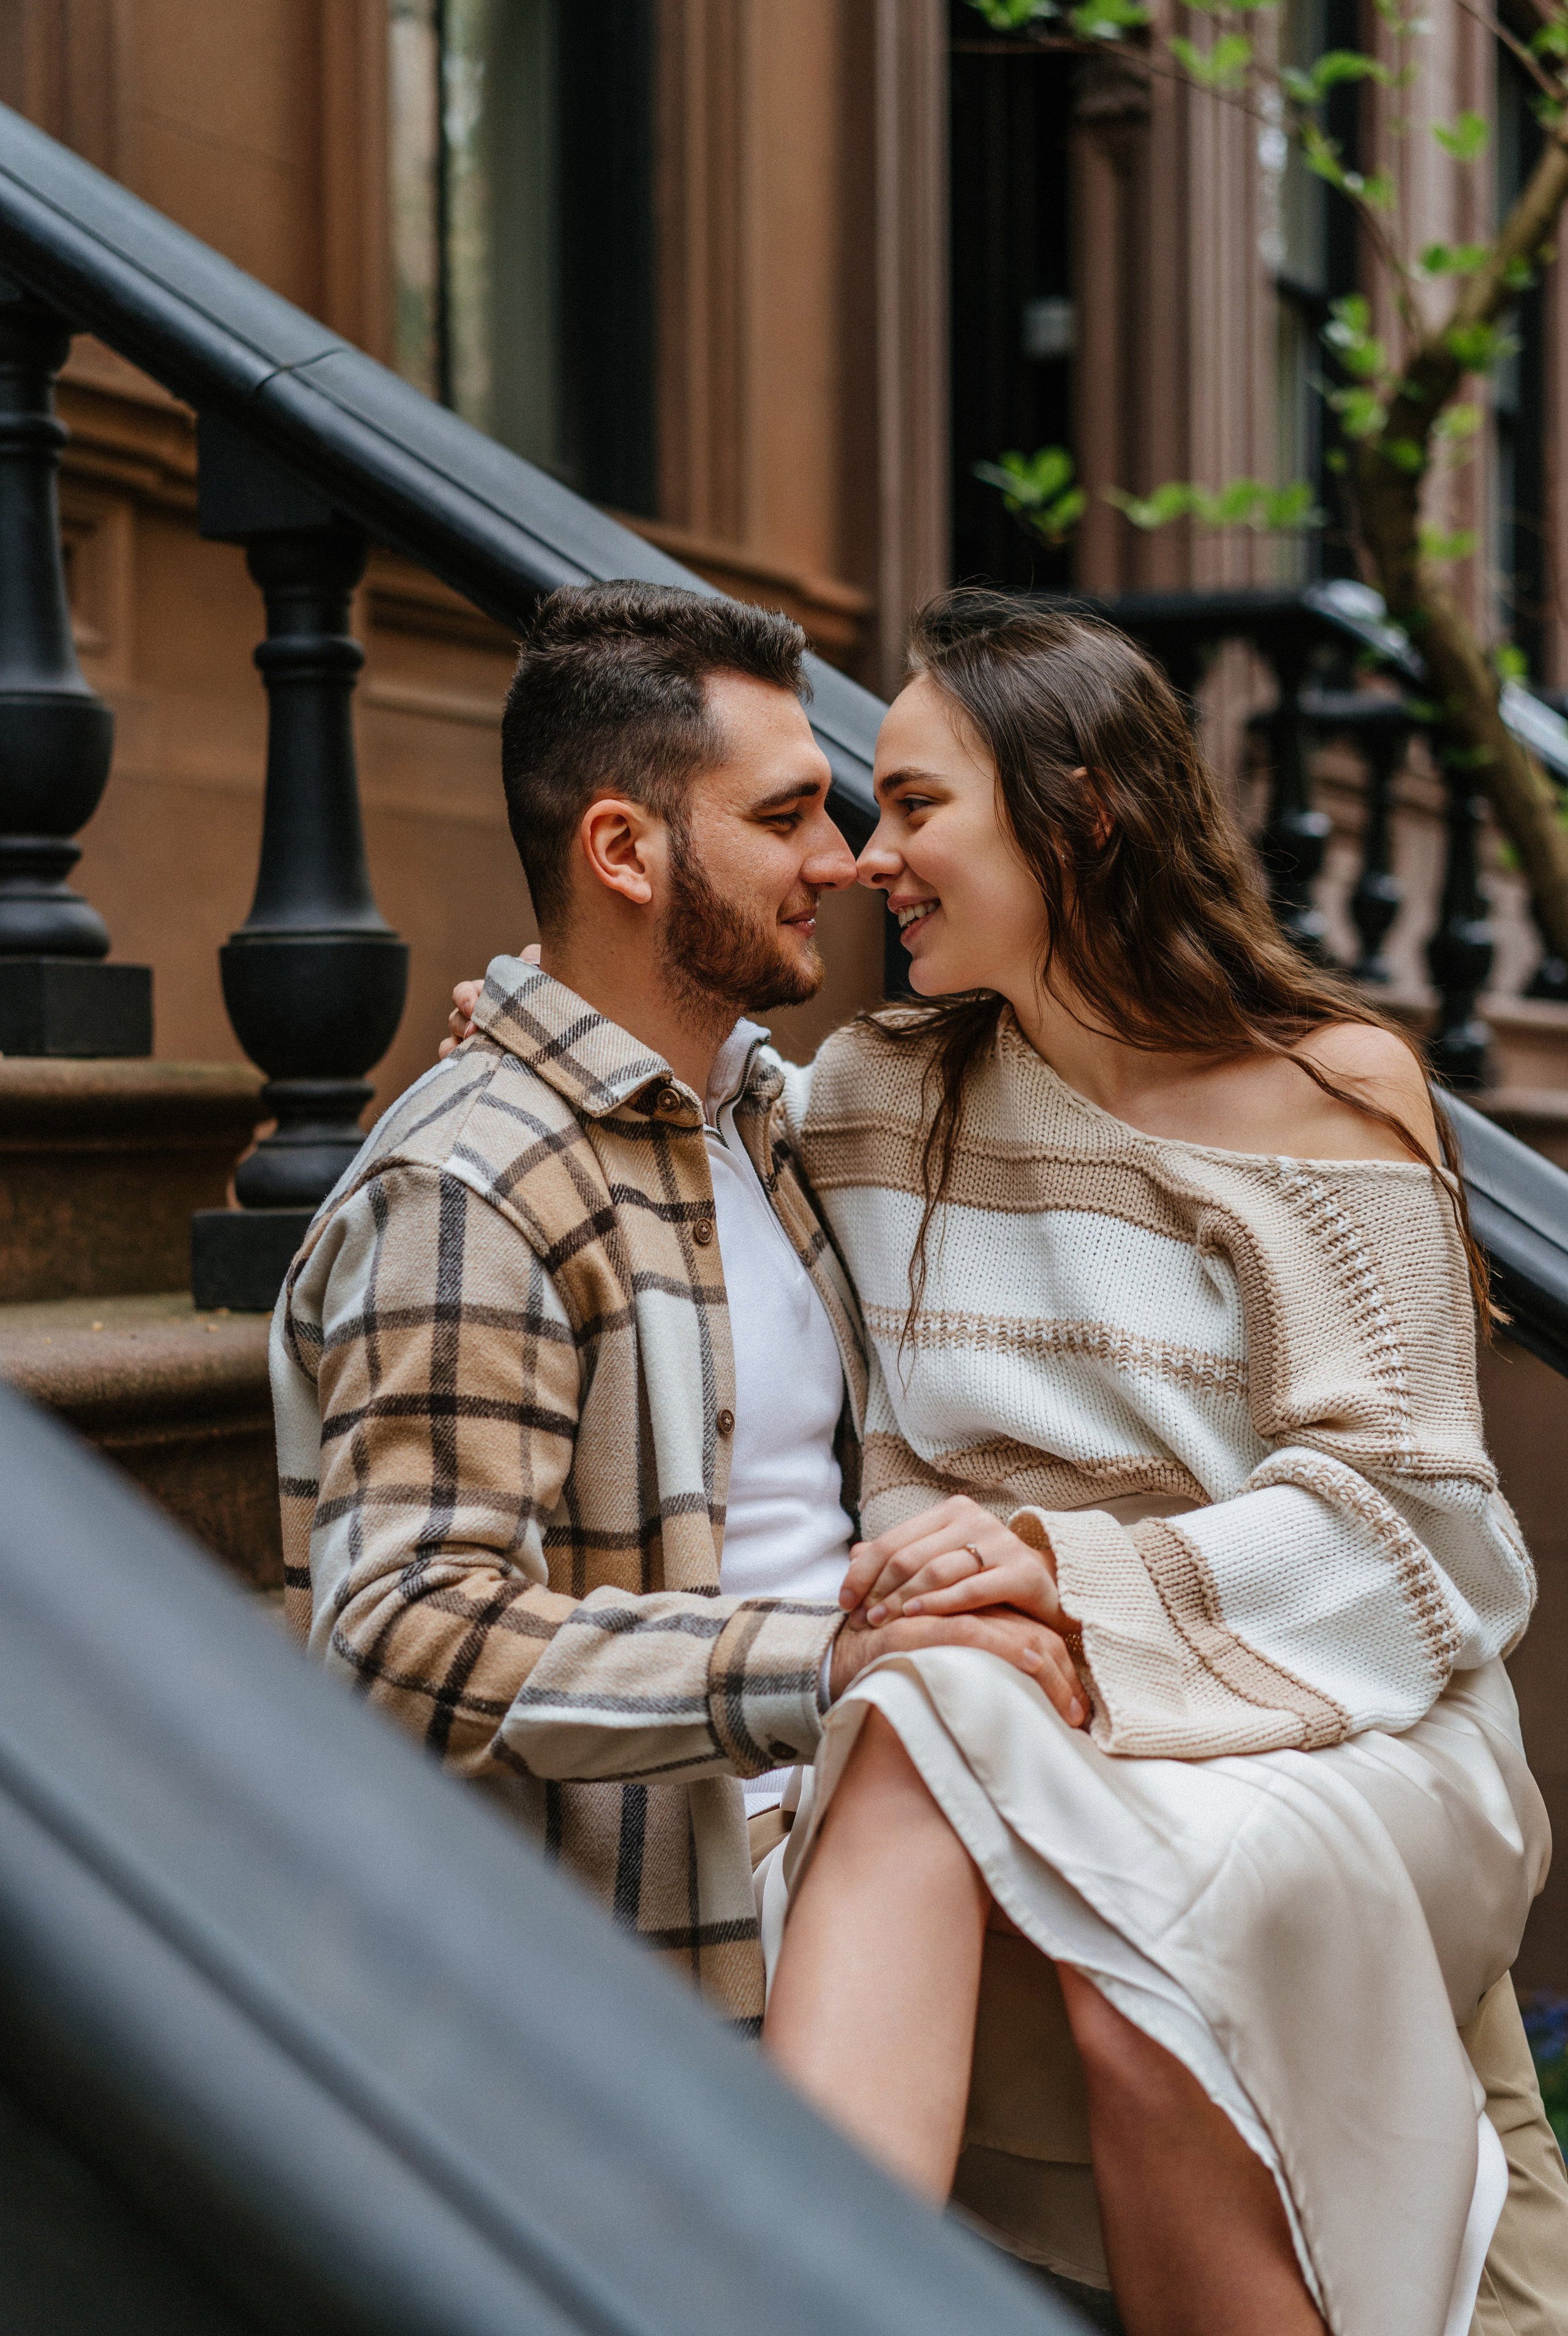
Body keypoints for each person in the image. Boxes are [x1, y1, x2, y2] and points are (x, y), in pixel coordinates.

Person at [748, 592, 1565, 2336]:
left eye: (911, 806)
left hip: (1348, 1705)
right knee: (917, 1708)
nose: (866, 857)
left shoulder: (1328, 1089)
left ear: (1082, 811)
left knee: (1164, 1916)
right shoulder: (870, 1098)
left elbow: (1421, 1522)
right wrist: (502, 1031)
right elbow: (651, 1108)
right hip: (1011, 1683)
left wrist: (1074, 1576)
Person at [271, 581, 1074, 2042]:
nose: (839, 862)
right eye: (783, 820)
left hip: (864, 1806)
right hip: (668, 1947)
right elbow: (402, 1635)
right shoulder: (471, 1189)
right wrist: (818, 1663)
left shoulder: (755, 1115)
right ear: (623, 851)